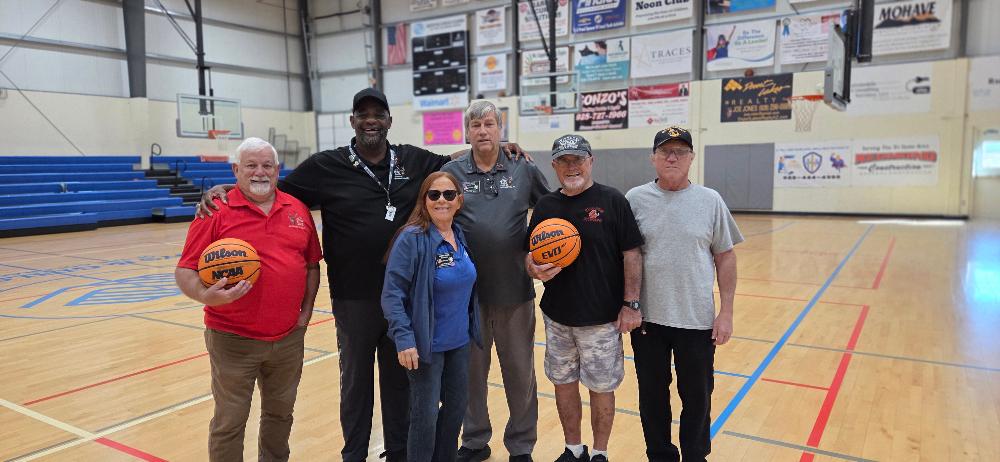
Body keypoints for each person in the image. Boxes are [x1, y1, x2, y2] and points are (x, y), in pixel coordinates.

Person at [197, 88, 528, 462]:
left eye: (378, 114)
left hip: (405, 298)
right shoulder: (327, 165)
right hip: (353, 299)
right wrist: (230, 188)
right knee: (356, 384)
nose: (371, 120)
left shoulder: (411, 159)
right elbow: (273, 189)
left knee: (400, 381)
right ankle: (354, 454)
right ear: (352, 121)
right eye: (363, 114)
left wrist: (496, 148)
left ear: (389, 121)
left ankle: (399, 453)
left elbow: (452, 161)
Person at [175, 137, 322, 461]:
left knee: (280, 416)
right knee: (230, 421)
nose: (260, 172)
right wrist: (204, 294)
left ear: (277, 169)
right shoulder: (215, 210)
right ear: (236, 170)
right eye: (251, 165)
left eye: (267, 165)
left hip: (288, 338)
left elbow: (312, 265)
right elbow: (185, 270)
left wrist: (306, 312)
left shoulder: (297, 209)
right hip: (233, 339)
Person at [624, 127, 743, 462]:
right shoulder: (634, 199)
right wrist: (627, 305)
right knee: (652, 397)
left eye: (680, 151)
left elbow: (726, 256)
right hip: (648, 321)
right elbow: (623, 254)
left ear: (692, 158)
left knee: (697, 397)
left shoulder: (710, 200)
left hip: (696, 319)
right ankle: (660, 455)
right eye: (665, 151)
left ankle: (695, 456)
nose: (672, 157)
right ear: (653, 158)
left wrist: (726, 312)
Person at [524, 135, 644, 462]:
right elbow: (529, 254)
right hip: (557, 317)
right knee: (563, 383)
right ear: (554, 166)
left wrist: (631, 304)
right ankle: (573, 449)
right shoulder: (546, 206)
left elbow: (632, 253)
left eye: (578, 159)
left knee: (601, 388)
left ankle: (600, 453)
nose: (571, 166)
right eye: (564, 161)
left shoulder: (612, 200)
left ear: (591, 161)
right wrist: (531, 267)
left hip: (601, 319)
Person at [441, 101, 549, 462]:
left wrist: (539, 251)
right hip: (465, 297)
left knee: (519, 374)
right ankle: (474, 441)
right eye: (476, 126)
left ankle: (521, 446)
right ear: (467, 132)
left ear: (500, 129)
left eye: (489, 124)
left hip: (514, 291)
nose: (483, 131)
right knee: (470, 375)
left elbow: (551, 211)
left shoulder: (523, 168)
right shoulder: (451, 172)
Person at [381, 172, 482, 462]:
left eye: (449, 194)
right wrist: (404, 338)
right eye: (434, 194)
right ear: (424, 200)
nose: (441, 200)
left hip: (459, 342)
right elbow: (392, 294)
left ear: (459, 201)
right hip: (426, 346)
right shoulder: (412, 238)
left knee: (455, 410)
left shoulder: (458, 234)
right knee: (425, 417)